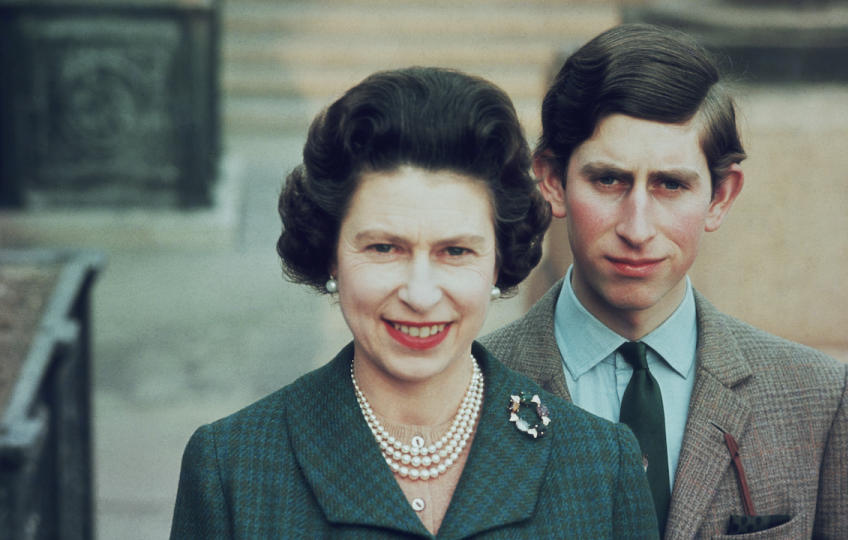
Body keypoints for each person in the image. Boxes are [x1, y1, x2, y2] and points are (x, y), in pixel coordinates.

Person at [170, 67, 658, 539]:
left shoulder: (600, 465)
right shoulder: (232, 467)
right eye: (385, 248)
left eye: (455, 251)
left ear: (498, 261)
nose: (420, 295)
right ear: (332, 255)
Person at [481, 24, 848, 538]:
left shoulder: (820, 399)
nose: (637, 228)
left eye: (671, 185)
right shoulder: (468, 390)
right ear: (554, 181)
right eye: (609, 180)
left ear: (720, 197)